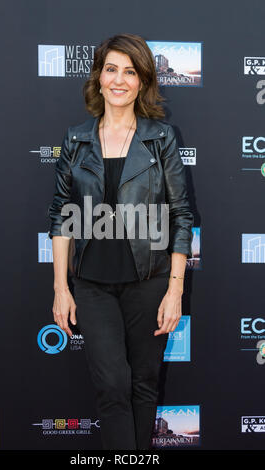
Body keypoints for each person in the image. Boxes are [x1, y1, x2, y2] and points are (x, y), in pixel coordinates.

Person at [47, 33, 194, 450]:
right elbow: (61, 215)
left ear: (143, 81)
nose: (119, 80)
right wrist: (60, 288)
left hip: (150, 282)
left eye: (130, 71)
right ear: (98, 78)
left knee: (144, 386)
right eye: (111, 69)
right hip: (92, 284)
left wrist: (175, 290)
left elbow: (181, 215)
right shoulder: (76, 140)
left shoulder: (160, 138)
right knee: (112, 385)